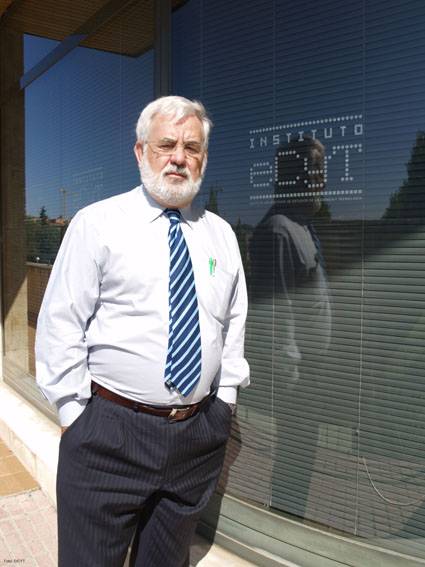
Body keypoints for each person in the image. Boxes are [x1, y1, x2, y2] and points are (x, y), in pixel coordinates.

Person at [35, 95, 249, 567]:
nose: (178, 157)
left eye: (191, 147)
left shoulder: (221, 236)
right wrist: (76, 416)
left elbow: (233, 323)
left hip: (196, 435)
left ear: (204, 158)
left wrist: (224, 404)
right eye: (166, 144)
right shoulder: (98, 223)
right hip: (107, 435)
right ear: (140, 152)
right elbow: (61, 322)